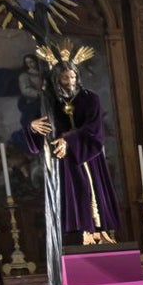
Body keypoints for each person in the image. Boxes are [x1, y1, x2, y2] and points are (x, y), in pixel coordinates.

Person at [26, 57, 122, 248]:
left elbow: (94, 128)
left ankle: (97, 231)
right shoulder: (49, 102)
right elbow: (40, 126)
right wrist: (32, 127)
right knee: (70, 194)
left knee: (90, 190)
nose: (70, 82)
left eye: (72, 77)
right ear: (56, 79)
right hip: (63, 161)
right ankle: (78, 232)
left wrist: (69, 140)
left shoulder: (90, 99)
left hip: (87, 155)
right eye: (65, 78)